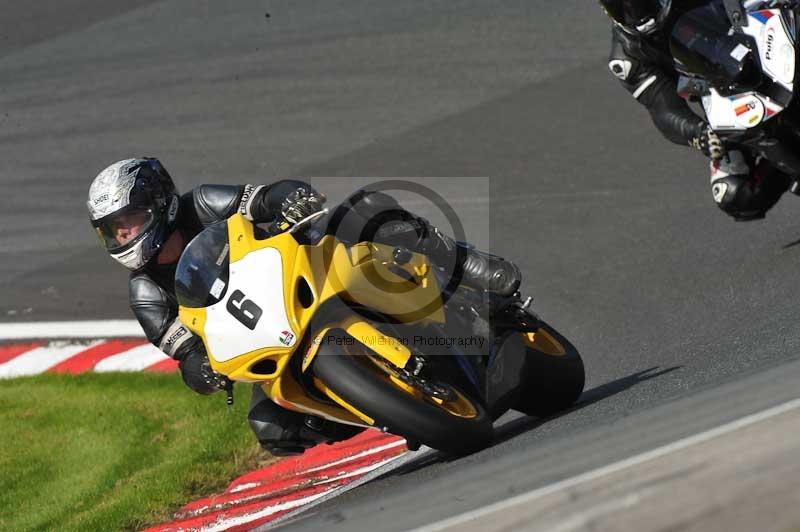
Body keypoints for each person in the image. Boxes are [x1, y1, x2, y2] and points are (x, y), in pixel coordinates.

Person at [87, 157, 522, 455]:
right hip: (268, 334)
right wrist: (200, 371)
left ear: (158, 203)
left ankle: (465, 263)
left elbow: (264, 197)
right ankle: (386, 411)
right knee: (269, 427)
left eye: (128, 224)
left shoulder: (199, 204)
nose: (123, 238)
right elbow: (184, 351)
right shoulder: (145, 293)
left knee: (364, 210)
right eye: (113, 233)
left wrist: (290, 200)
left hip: (302, 268)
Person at [598, 0, 792, 221]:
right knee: (734, 194)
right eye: (623, 8)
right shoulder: (628, 57)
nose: (636, 12)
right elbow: (663, 109)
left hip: (762, 45)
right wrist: (698, 134)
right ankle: (786, 168)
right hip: (727, 104)